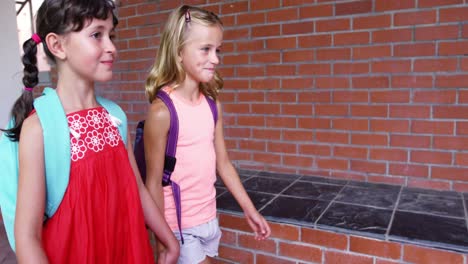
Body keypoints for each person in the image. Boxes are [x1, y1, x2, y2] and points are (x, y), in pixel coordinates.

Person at [5, 0, 179, 263]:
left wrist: (169, 239)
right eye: (97, 35)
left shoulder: (115, 117)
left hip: (125, 249)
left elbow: (138, 190)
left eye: (112, 35)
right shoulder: (40, 128)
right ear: (57, 45)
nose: (111, 47)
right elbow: (27, 236)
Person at [144, 5, 271, 264]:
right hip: (178, 226)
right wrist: (162, 243)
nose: (215, 59)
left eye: (217, 50)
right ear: (179, 52)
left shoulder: (212, 104)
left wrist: (250, 210)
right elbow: (153, 183)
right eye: (205, 49)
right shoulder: (162, 111)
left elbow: (222, 163)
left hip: (209, 219)